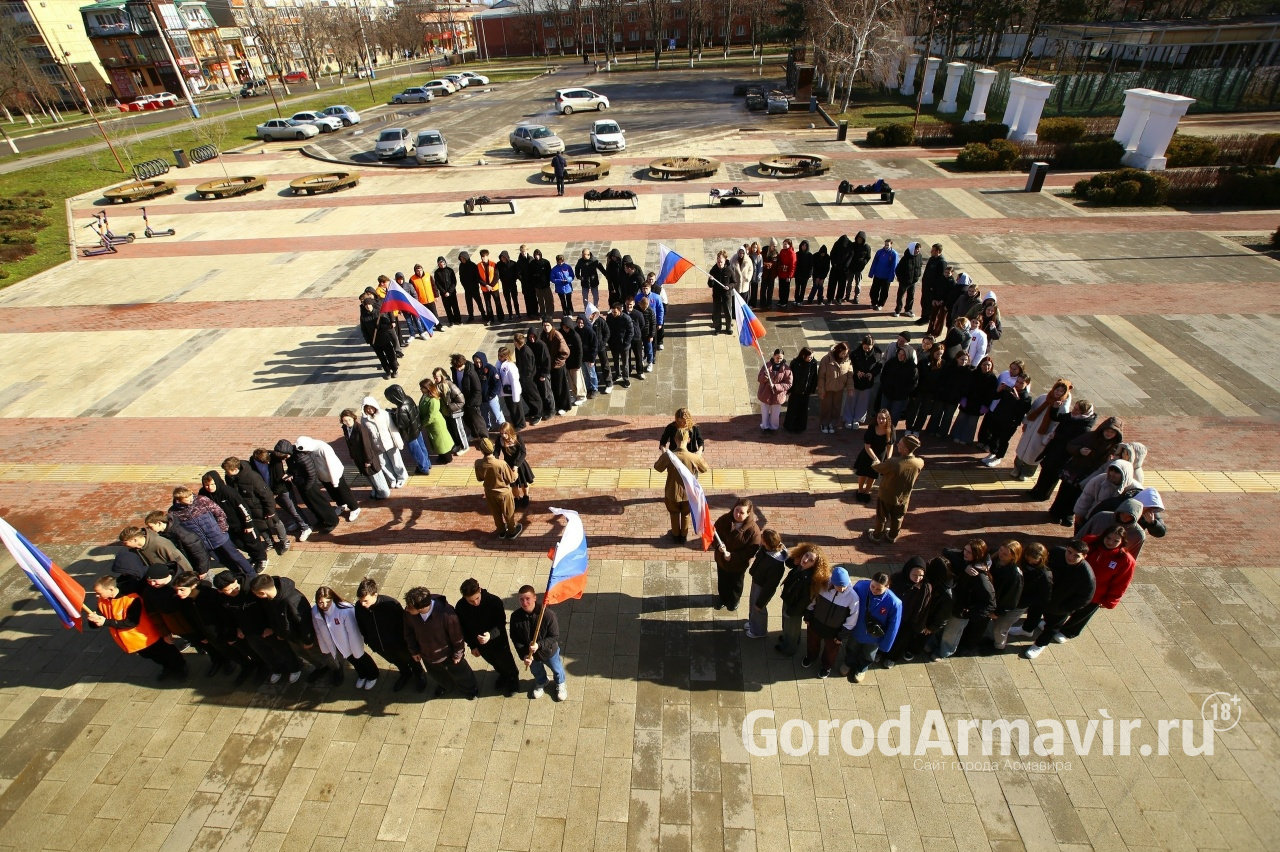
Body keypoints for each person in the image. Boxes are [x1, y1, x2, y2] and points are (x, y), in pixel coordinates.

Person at [86, 575, 187, 680]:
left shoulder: (131, 599)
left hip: (147, 636)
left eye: (99, 593)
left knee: (167, 653)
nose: (96, 596)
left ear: (111, 589)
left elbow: (131, 622)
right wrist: (93, 621)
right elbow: (99, 617)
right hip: (133, 640)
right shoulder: (103, 601)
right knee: (152, 656)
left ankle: (181, 667)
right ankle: (168, 667)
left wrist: (105, 622)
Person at [251, 573, 336, 683]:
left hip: (303, 636)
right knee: (303, 653)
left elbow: (304, 621)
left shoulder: (291, 600)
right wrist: (279, 632)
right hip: (291, 637)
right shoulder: (268, 599)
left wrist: (308, 640)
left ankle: (336, 669)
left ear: (262, 593)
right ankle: (321, 667)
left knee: (321, 653)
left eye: (256, 594)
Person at [1058, 526, 1135, 641]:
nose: (1110, 542)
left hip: (1097, 593)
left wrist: (1110, 600)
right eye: (1108, 538)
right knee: (1064, 604)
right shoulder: (1090, 541)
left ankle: (1068, 631)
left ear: (1122, 542)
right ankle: (1055, 622)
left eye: (1116, 541)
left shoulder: (1126, 560)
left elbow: (1121, 583)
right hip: (1075, 585)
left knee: (1083, 614)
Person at [1022, 540, 1095, 660]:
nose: (1070, 557)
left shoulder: (1087, 576)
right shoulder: (1056, 553)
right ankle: (1027, 629)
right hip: (1043, 596)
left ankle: (1040, 644)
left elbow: (1085, 598)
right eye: (1069, 552)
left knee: (1052, 627)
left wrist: (1065, 608)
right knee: (1033, 613)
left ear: (1084, 556)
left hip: (1060, 605)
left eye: (1076, 555)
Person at [403, 586, 480, 699]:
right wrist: (414, 651)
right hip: (427, 654)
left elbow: (457, 636)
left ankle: (470, 688)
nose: (406, 609)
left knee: (461, 673)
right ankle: (445, 686)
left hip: (448, 654)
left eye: (410, 608)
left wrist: (458, 653)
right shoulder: (409, 614)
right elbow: (408, 632)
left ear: (421, 607)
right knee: (436, 674)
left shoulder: (446, 614)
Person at [1047, 415, 1124, 524]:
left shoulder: (1116, 446)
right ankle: (1055, 512)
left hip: (1091, 475)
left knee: (1080, 496)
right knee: (1064, 492)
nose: (1109, 433)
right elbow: (1070, 445)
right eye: (1107, 430)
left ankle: (1069, 515)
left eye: (1112, 432)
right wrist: (1080, 450)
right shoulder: (1089, 436)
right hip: (1075, 470)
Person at [353, 577, 426, 691]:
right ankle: (405, 673)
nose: (362, 604)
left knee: (410, 660)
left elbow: (404, 625)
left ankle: (419, 674)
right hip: (379, 646)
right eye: (361, 600)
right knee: (395, 661)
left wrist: (404, 643)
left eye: (365, 600)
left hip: (399, 645)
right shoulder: (359, 607)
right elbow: (361, 624)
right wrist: (369, 641)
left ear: (375, 594)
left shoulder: (389, 605)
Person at [169, 485, 256, 577]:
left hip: (219, 537)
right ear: (179, 500)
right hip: (204, 543)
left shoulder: (201, 500)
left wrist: (221, 529)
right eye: (187, 498)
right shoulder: (174, 512)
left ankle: (251, 574)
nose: (191, 499)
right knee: (223, 560)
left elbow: (219, 513)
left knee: (235, 556)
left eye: (190, 496)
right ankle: (238, 574)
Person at [931, 540, 995, 660]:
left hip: (962, 609)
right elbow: (946, 551)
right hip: (952, 602)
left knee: (952, 633)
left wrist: (969, 613)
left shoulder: (981, 577)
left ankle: (944, 652)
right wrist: (964, 566)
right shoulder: (965, 560)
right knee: (942, 625)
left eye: (969, 552)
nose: (965, 553)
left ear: (977, 554)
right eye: (965, 549)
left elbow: (990, 603)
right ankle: (934, 643)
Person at [456, 578, 520, 697]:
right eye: (471, 601)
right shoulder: (460, 607)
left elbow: (501, 623)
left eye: (477, 598)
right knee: (494, 662)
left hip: (498, 642)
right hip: (481, 645)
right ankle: (503, 674)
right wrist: (473, 645)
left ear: (480, 590)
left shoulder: (494, 601)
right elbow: (463, 628)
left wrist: (491, 634)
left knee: (506, 662)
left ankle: (513, 678)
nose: (475, 603)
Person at [199, 470, 270, 572]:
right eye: (206, 485)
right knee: (239, 544)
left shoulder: (228, 492)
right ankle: (254, 557)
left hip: (241, 523)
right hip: (226, 526)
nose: (210, 487)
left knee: (252, 542)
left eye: (212, 484)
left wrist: (248, 524)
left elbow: (242, 507)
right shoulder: (203, 493)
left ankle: (261, 558)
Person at [312, 586, 380, 689]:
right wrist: (325, 647)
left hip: (349, 643)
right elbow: (318, 630)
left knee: (362, 658)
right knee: (353, 661)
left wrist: (356, 649)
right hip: (338, 645)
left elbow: (353, 632)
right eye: (321, 603)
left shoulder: (344, 610)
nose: (325, 605)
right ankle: (362, 674)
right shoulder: (315, 612)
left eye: (328, 602)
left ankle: (373, 674)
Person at [510, 584, 566, 700]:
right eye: (521, 599)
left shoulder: (548, 615)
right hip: (531, 655)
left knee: (557, 669)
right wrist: (524, 654)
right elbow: (515, 638)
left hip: (549, 652)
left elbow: (554, 636)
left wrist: (539, 645)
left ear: (535, 598)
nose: (525, 603)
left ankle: (560, 683)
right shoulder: (515, 617)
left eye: (528, 599)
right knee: (536, 670)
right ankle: (542, 681)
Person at [802, 566, 858, 679]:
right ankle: (811, 657)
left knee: (831, 650)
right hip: (816, 623)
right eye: (839, 586)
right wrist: (808, 615)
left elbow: (853, 617)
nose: (842, 589)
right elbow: (813, 600)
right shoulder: (822, 586)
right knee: (812, 642)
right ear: (832, 583)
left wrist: (842, 634)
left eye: (844, 586)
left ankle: (826, 666)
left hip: (834, 630)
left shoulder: (853, 597)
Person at [653, 428, 709, 543]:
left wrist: (664, 453)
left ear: (675, 440)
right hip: (689, 494)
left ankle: (675, 534)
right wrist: (699, 453)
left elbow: (657, 467)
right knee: (686, 514)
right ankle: (683, 536)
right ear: (688, 440)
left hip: (672, 492)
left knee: (674, 514)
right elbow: (704, 469)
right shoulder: (694, 457)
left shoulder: (669, 456)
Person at [867, 435, 925, 544]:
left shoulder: (894, 462)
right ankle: (892, 536)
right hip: (904, 497)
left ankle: (876, 536)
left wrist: (875, 461)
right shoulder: (919, 462)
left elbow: (879, 467)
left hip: (887, 495)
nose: (897, 444)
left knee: (882, 517)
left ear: (905, 449)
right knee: (898, 517)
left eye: (900, 444)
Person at [844, 571, 902, 682]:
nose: (874, 590)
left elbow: (893, 627)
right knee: (851, 647)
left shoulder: (894, 603)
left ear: (887, 587)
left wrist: (885, 646)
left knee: (868, 654)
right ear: (870, 581)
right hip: (856, 629)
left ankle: (861, 668)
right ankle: (848, 663)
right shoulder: (860, 586)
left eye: (879, 589)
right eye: (872, 586)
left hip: (873, 637)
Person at [1014, 378, 1074, 482]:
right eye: (1057, 389)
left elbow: (1057, 426)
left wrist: (1047, 438)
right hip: (1031, 428)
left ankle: (1027, 472)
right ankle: (1017, 468)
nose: (1058, 392)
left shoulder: (1062, 408)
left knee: (1034, 454)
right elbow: (1032, 411)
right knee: (1022, 449)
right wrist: (1026, 423)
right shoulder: (1043, 398)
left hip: (1043, 434)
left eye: (1061, 391)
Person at [776, 543, 831, 656]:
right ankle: (791, 639)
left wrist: (791, 612)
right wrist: (793, 561)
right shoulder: (800, 565)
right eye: (806, 555)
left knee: (791, 627)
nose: (805, 560)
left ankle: (788, 648)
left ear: (815, 565)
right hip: (789, 600)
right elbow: (789, 563)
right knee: (789, 626)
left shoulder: (808, 580)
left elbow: (804, 601)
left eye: (810, 560)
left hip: (794, 607)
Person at [293, 437, 361, 523]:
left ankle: (354, 508)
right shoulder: (308, 450)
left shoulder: (323, 448)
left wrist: (335, 480)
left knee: (343, 492)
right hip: (323, 476)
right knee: (332, 493)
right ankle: (341, 504)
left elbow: (331, 464)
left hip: (335, 475)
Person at [713, 498, 762, 611]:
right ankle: (723, 598)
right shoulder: (724, 520)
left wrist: (733, 557)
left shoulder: (753, 531)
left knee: (736, 583)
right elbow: (714, 535)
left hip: (738, 565)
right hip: (722, 561)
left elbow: (751, 551)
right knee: (722, 580)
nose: (737, 514)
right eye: (736, 510)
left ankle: (734, 600)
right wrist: (718, 546)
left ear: (748, 513)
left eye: (742, 512)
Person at [883, 558, 931, 666]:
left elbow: (924, 608)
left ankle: (892, 658)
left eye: (921, 576)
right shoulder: (896, 579)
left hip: (908, 621)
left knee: (901, 640)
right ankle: (880, 652)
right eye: (914, 575)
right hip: (892, 616)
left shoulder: (925, 588)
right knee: (886, 634)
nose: (917, 578)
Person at [979, 373, 1033, 467]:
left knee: (1003, 440)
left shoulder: (1026, 398)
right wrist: (998, 391)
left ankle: (998, 457)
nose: (1018, 384)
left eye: (1021, 383)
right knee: (994, 436)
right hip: (998, 417)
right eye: (1017, 381)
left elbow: (1023, 411)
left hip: (1009, 423)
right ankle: (992, 453)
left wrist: (1017, 399)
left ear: (1026, 384)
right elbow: (995, 397)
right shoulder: (1009, 389)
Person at [475, 437, 522, 539]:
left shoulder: (478, 463)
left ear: (482, 450)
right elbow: (511, 478)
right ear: (493, 448)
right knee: (508, 513)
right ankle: (512, 531)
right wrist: (515, 472)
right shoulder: (501, 464)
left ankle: (501, 532)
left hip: (489, 492)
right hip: (504, 493)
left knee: (496, 513)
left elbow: (479, 478)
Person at [1007, 542, 1052, 644]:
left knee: (1034, 612)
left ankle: (1027, 629)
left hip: (1026, 599)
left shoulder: (1045, 575)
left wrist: (1027, 601)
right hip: (1020, 594)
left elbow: (1044, 597)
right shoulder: (1023, 560)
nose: (1030, 563)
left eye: (1033, 562)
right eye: (1028, 560)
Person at [745, 529, 786, 639]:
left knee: (758, 607)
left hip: (762, 587)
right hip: (757, 580)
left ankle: (759, 631)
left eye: (762, 538)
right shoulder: (766, 549)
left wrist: (761, 603)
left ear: (766, 542)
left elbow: (770, 587)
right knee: (752, 603)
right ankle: (753, 622)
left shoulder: (776, 564)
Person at [986, 540, 1027, 651]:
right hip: (993, 600)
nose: (1000, 554)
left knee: (1000, 628)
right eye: (1000, 550)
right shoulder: (995, 558)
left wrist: (998, 612)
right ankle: (991, 639)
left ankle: (999, 646)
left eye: (1005, 554)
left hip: (1003, 606)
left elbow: (1011, 597)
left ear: (1013, 556)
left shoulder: (1015, 574)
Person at [361, 396, 408, 489]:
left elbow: (392, 428)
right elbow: (366, 435)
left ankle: (402, 477)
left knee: (396, 461)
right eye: (367, 408)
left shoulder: (384, 414)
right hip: (377, 446)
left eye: (371, 407)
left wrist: (398, 441)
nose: (370, 410)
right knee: (383, 464)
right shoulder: (364, 420)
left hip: (389, 442)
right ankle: (392, 479)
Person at [950, 355, 998, 445]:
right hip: (968, 401)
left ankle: (966, 438)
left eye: (988, 365)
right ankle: (955, 435)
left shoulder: (992, 379)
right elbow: (966, 386)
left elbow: (991, 395)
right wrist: (963, 398)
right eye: (984, 364)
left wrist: (986, 406)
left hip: (979, 405)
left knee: (971, 423)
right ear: (980, 365)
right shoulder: (973, 373)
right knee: (961, 419)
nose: (986, 367)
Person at [385, 384, 431, 476]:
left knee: (416, 451)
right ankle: (427, 464)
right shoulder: (408, 399)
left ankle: (423, 468)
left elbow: (402, 425)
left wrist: (394, 416)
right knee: (422, 448)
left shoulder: (401, 408)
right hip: (417, 428)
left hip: (410, 434)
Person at [854, 409, 895, 504]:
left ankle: (867, 491)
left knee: (872, 475)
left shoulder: (891, 429)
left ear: (887, 419)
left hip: (881, 454)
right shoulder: (872, 428)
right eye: (879, 418)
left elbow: (890, 445)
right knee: (863, 473)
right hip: (868, 454)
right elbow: (867, 446)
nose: (880, 420)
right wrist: (875, 459)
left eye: (883, 418)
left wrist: (888, 459)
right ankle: (860, 490)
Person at [908, 344, 946, 438]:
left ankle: (917, 429)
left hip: (930, 394)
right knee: (913, 410)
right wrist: (913, 392)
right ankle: (909, 428)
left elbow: (941, 381)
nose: (939, 356)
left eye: (941, 354)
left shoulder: (943, 364)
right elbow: (916, 378)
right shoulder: (923, 362)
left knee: (924, 412)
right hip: (919, 390)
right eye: (937, 353)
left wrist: (935, 394)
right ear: (933, 352)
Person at [415, 383, 456, 465]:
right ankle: (441, 456)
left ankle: (447, 458)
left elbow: (431, 415)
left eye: (422, 388)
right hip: (431, 424)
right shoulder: (425, 396)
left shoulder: (433, 400)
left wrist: (422, 424)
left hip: (436, 424)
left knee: (442, 442)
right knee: (437, 442)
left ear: (428, 388)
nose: (420, 389)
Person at [846, 335, 882, 428]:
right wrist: (857, 372)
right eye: (865, 348)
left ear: (873, 345)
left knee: (863, 401)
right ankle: (848, 418)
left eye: (868, 348)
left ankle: (858, 419)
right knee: (851, 400)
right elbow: (850, 365)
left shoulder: (878, 353)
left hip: (867, 382)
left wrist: (872, 374)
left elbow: (878, 366)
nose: (866, 350)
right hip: (855, 381)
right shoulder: (855, 354)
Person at [816, 342, 852, 435]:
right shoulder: (826, 359)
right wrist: (821, 390)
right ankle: (824, 424)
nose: (844, 355)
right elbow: (821, 376)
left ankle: (833, 423)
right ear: (838, 351)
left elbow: (849, 375)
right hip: (828, 388)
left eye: (846, 353)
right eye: (843, 353)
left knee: (837, 407)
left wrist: (850, 388)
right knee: (826, 407)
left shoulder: (847, 360)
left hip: (839, 389)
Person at [879, 346, 918, 428]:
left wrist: (904, 392)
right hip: (887, 393)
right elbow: (883, 376)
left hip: (900, 397)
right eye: (899, 354)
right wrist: (885, 387)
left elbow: (913, 383)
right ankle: (881, 428)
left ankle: (891, 431)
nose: (900, 356)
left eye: (903, 355)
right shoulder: (891, 362)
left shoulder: (912, 367)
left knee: (895, 414)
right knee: (883, 412)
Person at [498, 422, 535, 508]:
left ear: (510, 431)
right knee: (513, 485)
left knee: (523, 483)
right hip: (508, 465)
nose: (503, 435)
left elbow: (523, 453)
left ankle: (526, 496)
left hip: (520, 464)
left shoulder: (518, 438)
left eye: (505, 433)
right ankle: (517, 498)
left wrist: (516, 465)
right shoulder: (499, 440)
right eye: (501, 433)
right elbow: (496, 452)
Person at [756, 348, 793, 433]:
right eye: (777, 358)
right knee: (765, 412)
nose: (779, 360)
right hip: (766, 393)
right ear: (773, 356)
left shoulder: (787, 369)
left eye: (781, 358)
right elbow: (759, 378)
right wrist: (764, 377)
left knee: (775, 414)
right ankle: (765, 427)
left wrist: (776, 386)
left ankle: (773, 427)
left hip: (778, 395)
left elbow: (789, 384)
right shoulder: (767, 365)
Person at [541, 319, 573, 413]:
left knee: (561, 387)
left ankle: (564, 406)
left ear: (552, 325)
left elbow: (565, 352)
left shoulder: (557, 336)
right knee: (554, 386)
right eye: (544, 325)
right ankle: (557, 404)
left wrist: (556, 362)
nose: (546, 327)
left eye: (548, 325)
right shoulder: (543, 335)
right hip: (550, 366)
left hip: (558, 366)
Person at [783, 348, 818, 434]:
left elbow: (814, 377)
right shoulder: (795, 363)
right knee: (792, 409)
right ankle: (789, 426)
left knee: (803, 409)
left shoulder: (813, 363)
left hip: (806, 391)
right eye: (809, 357)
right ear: (803, 356)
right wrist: (789, 390)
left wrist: (812, 389)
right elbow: (790, 378)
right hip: (795, 391)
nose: (811, 359)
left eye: (812, 357)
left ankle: (800, 427)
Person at [513, 332, 545, 423]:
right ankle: (533, 411)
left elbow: (529, 368)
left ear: (516, 342)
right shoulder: (517, 349)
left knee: (533, 396)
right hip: (522, 378)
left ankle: (539, 414)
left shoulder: (526, 351)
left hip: (528, 378)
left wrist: (525, 378)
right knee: (526, 396)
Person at [472, 352, 507, 430]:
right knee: (484, 415)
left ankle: (504, 428)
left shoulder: (490, 369)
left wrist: (491, 395)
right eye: (476, 362)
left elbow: (497, 384)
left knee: (497, 414)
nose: (478, 364)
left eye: (480, 361)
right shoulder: (474, 370)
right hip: (481, 399)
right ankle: (488, 427)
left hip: (491, 398)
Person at [918, 243, 948, 327]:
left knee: (929, 304)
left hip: (932, 289)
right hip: (926, 286)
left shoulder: (942, 262)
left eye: (933, 250)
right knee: (923, 302)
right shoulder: (932, 259)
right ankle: (923, 316)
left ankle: (927, 318)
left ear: (938, 251)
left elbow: (940, 278)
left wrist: (933, 288)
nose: (931, 251)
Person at [496, 346, 526, 428]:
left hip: (512, 391)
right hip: (506, 392)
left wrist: (515, 396)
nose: (499, 357)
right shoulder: (499, 364)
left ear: (506, 356)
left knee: (517, 409)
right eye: (498, 355)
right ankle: (515, 422)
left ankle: (521, 424)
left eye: (501, 356)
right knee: (511, 409)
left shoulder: (511, 366)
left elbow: (514, 381)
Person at [606, 303, 634, 389]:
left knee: (625, 362)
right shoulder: (610, 317)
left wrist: (626, 343)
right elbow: (608, 329)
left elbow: (631, 332)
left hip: (623, 345)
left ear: (620, 311)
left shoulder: (626, 318)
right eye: (612, 312)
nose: (613, 314)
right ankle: (618, 374)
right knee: (615, 360)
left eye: (615, 312)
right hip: (614, 344)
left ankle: (626, 378)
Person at [868, 238, 899, 311]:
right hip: (877, 275)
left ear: (891, 245)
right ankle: (874, 302)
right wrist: (871, 273)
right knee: (874, 290)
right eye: (885, 245)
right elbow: (874, 262)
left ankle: (880, 304)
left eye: (887, 245)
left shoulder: (893, 254)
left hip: (886, 277)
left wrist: (891, 277)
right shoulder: (879, 252)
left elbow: (894, 266)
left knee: (884, 292)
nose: (886, 246)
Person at [893, 242, 923, 317]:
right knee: (900, 296)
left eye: (919, 250)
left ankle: (908, 309)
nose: (918, 251)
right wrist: (901, 279)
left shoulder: (919, 256)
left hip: (913, 281)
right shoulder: (905, 258)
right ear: (913, 249)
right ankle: (898, 310)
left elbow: (920, 266)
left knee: (911, 296)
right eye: (917, 250)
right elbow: (898, 270)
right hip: (904, 281)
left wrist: (918, 275)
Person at [370, 306, 401, 379]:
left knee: (390, 356)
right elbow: (364, 329)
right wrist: (369, 341)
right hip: (374, 341)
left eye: (369, 305)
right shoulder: (364, 316)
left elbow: (387, 324)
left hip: (385, 339)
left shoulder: (379, 312)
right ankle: (387, 371)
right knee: (382, 358)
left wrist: (380, 327)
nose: (368, 307)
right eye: (366, 305)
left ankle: (394, 369)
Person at [457, 251, 487, 324]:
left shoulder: (473, 265)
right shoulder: (461, 266)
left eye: (464, 258)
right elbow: (461, 277)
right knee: (469, 303)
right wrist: (464, 286)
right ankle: (471, 316)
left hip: (474, 288)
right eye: (461, 259)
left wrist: (475, 285)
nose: (462, 260)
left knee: (479, 302)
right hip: (467, 288)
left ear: (467, 258)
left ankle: (483, 314)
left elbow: (477, 277)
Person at [476, 249, 504, 324]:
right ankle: (490, 318)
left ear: (487, 256)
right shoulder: (478, 265)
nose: (483, 258)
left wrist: (491, 285)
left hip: (494, 287)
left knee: (497, 302)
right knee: (488, 304)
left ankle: (501, 317)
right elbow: (478, 278)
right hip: (485, 288)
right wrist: (486, 285)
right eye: (482, 256)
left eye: (484, 256)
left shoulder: (493, 264)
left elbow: (496, 276)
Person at [433, 256, 462, 326]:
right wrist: (444, 292)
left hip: (452, 293)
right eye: (440, 263)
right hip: (444, 294)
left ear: (445, 262)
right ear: (438, 264)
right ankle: (451, 321)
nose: (442, 264)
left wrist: (449, 291)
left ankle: (458, 320)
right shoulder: (437, 273)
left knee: (455, 307)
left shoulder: (450, 270)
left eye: (443, 262)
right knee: (447, 308)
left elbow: (454, 282)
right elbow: (437, 284)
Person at [575, 312, 598, 400]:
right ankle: (588, 387)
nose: (580, 324)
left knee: (592, 374)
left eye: (581, 323)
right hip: (581, 358)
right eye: (578, 323)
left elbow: (594, 346)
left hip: (589, 358)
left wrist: (592, 359)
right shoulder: (575, 331)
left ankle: (594, 388)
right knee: (585, 374)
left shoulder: (590, 332)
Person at [529, 249, 555, 319]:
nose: (537, 256)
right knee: (540, 300)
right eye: (535, 255)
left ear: (540, 255)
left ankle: (549, 313)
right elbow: (531, 274)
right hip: (537, 286)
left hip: (545, 285)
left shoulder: (545, 262)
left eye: (538, 255)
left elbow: (549, 273)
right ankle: (542, 313)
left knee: (548, 300)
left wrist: (547, 281)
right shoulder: (532, 264)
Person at [776, 238, 796, 307]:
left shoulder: (792, 253)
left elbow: (793, 266)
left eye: (786, 244)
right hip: (781, 273)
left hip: (787, 274)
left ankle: (784, 301)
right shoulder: (782, 251)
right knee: (781, 288)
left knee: (786, 289)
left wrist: (789, 276)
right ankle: (781, 300)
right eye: (783, 244)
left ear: (789, 245)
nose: (784, 245)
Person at [793, 240, 812, 306]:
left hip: (805, 275)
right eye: (803, 245)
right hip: (798, 274)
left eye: (805, 246)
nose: (804, 247)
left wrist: (809, 274)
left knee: (803, 288)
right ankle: (796, 299)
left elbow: (810, 266)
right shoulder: (797, 254)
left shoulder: (809, 255)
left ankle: (800, 300)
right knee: (797, 288)